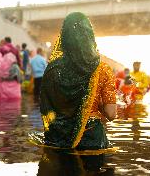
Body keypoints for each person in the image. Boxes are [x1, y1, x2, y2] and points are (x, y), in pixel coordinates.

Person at [40, 12, 117, 150]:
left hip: (57, 140)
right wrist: (96, 102)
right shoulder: (102, 69)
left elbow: (49, 110)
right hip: (92, 139)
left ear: (64, 37)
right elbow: (111, 114)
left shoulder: (52, 69)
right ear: (90, 36)